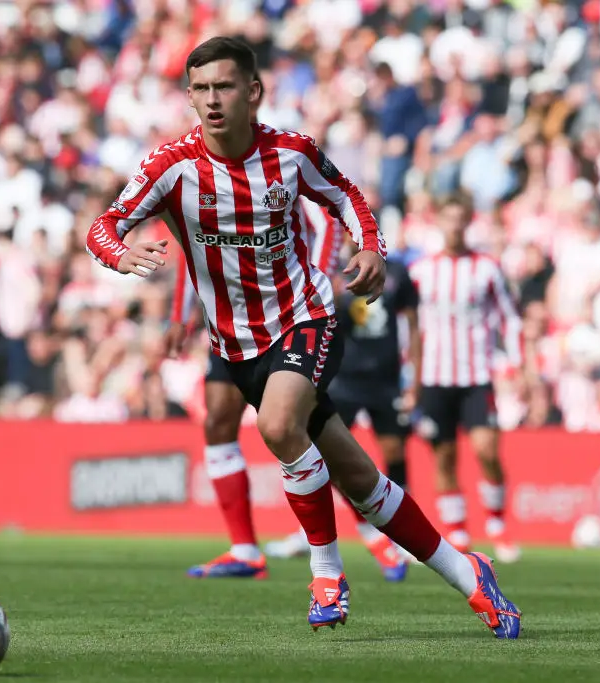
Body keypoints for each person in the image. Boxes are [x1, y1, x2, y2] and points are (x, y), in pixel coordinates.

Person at [86, 37, 520, 637]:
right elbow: (103, 225)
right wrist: (120, 253)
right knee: (360, 480)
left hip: (305, 318)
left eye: (224, 86)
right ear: (189, 96)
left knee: (277, 425)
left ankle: (326, 572)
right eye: (201, 89)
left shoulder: (291, 153)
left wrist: (372, 247)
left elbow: (347, 196)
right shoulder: (170, 166)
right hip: (236, 346)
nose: (213, 100)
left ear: (253, 92)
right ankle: (470, 574)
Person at [166, 78, 407, 583]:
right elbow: (196, 250)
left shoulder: (286, 163)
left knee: (305, 430)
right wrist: (179, 315)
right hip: (232, 322)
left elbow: (329, 222)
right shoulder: (197, 172)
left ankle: (372, 537)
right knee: (219, 421)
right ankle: (245, 549)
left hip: (291, 313)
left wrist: (320, 279)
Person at [264, 253, 421, 579]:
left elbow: (413, 325)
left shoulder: (397, 271)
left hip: (386, 378)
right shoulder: (331, 268)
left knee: (394, 452)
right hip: (344, 376)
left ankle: (404, 535)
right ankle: (309, 532)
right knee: (319, 455)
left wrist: (414, 380)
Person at [409, 194, 522, 563]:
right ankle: (457, 534)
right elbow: (409, 326)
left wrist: (515, 365)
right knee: (444, 456)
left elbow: (510, 318)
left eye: (461, 218)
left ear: (469, 222)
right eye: (449, 218)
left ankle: (497, 525)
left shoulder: (487, 268)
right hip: (434, 377)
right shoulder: (421, 272)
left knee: (487, 450)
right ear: (439, 222)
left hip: (476, 376)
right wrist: (408, 374)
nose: (455, 226)